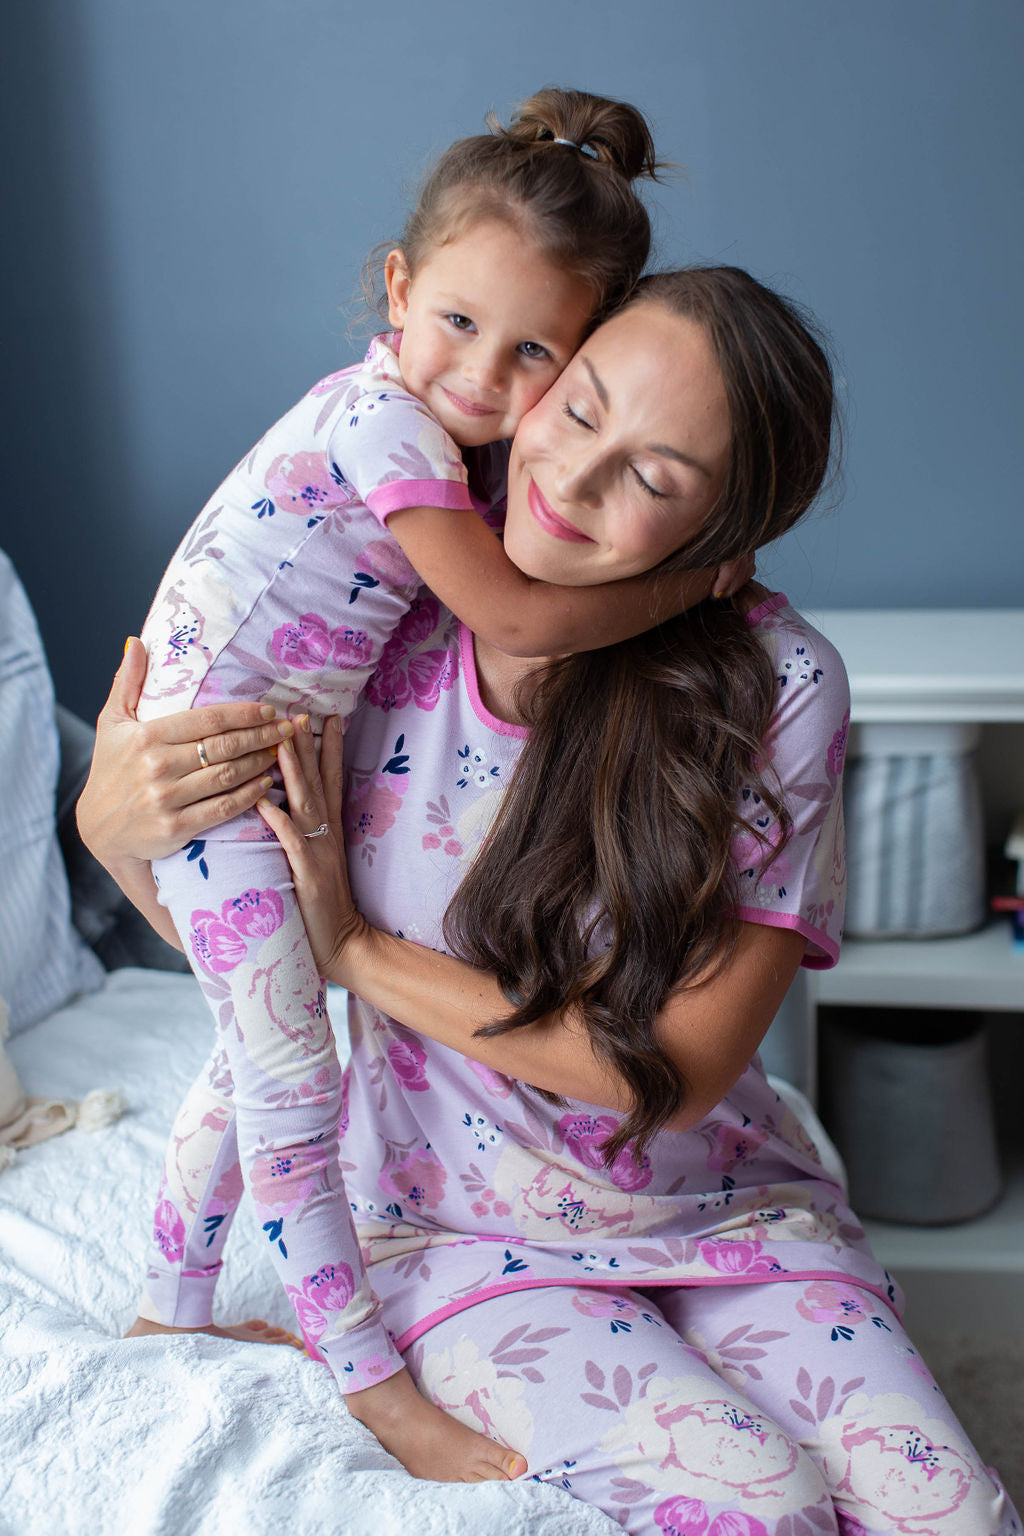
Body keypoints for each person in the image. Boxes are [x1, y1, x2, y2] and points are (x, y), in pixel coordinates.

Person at [79, 268, 1020, 1534]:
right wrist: (107, 818)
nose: (572, 481)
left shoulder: (775, 683)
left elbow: (674, 1074)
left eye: (652, 476)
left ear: (716, 536)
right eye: (577, 411)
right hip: (447, 1229)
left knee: (954, 1518)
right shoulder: (362, 612)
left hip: (725, 1206)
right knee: (763, 1506)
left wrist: (356, 948)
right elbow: (243, 948)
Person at [118, 87, 754, 1480]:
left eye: (537, 350)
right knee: (299, 1079)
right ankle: (370, 1382)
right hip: (218, 770)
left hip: (251, 765)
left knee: (250, 1057)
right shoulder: (386, 427)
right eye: (459, 322)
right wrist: (684, 588)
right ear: (398, 289)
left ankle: (168, 1308)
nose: (482, 374)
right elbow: (515, 619)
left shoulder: (403, 425)